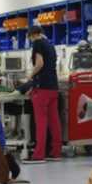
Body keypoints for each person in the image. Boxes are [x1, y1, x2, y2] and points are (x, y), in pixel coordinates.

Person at [25, 25, 62, 164]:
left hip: (42, 89)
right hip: (53, 87)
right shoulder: (50, 46)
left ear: (32, 36)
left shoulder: (37, 43)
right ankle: (56, 152)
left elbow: (39, 63)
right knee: (54, 121)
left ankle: (39, 154)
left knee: (41, 122)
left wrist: (30, 76)